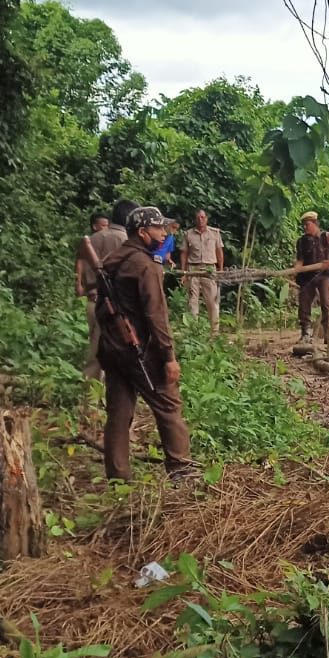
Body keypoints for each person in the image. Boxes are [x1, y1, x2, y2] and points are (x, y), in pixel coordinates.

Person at [97, 206, 195, 482]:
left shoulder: (111, 261)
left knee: (118, 413)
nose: (163, 233)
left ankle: (118, 479)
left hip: (113, 349)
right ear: (142, 232)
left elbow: (102, 309)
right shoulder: (145, 266)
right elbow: (156, 315)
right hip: (139, 351)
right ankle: (182, 470)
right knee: (168, 405)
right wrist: (168, 356)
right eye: (158, 228)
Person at [76, 200, 133, 380]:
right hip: (115, 307)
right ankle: (98, 402)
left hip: (94, 302)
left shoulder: (92, 239)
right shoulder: (126, 241)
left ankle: (92, 399)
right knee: (117, 355)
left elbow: (84, 272)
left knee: (95, 352)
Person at [293, 211, 329, 353]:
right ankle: (305, 332)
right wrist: (296, 269)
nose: (305, 227)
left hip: (324, 275)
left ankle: (328, 334)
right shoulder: (301, 241)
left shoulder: (327, 237)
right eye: (304, 225)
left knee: (326, 303)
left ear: (315, 224)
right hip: (307, 277)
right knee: (304, 303)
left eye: (308, 224)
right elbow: (300, 261)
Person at [181, 209, 224, 336]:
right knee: (192, 301)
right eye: (198, 218)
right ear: (195, 219)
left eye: (203, 217)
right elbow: (184, 253)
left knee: (212, 301)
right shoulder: (188, 234)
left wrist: (220, 270)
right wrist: (184, 272)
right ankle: (194, 332)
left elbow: (219, 252)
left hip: (209, 269)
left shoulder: (215, 233)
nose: (200, 220)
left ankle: (214, 333)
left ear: (207, 219)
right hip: (192, 269)